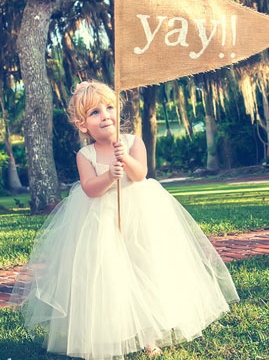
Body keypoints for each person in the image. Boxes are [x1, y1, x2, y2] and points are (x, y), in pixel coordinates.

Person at [11, 80, 239, 360]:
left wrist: (125, 159)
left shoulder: (132, 142)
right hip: (101, 219)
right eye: (94, 112)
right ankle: (109, 333)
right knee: (110, 274)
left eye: (109, 107)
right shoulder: (86, 154)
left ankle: (150, 335)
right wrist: (109, 175)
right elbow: (89, 189)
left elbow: (140, 173)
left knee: (145, 267)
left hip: (140, 214)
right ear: (83, 125)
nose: (105, 115)